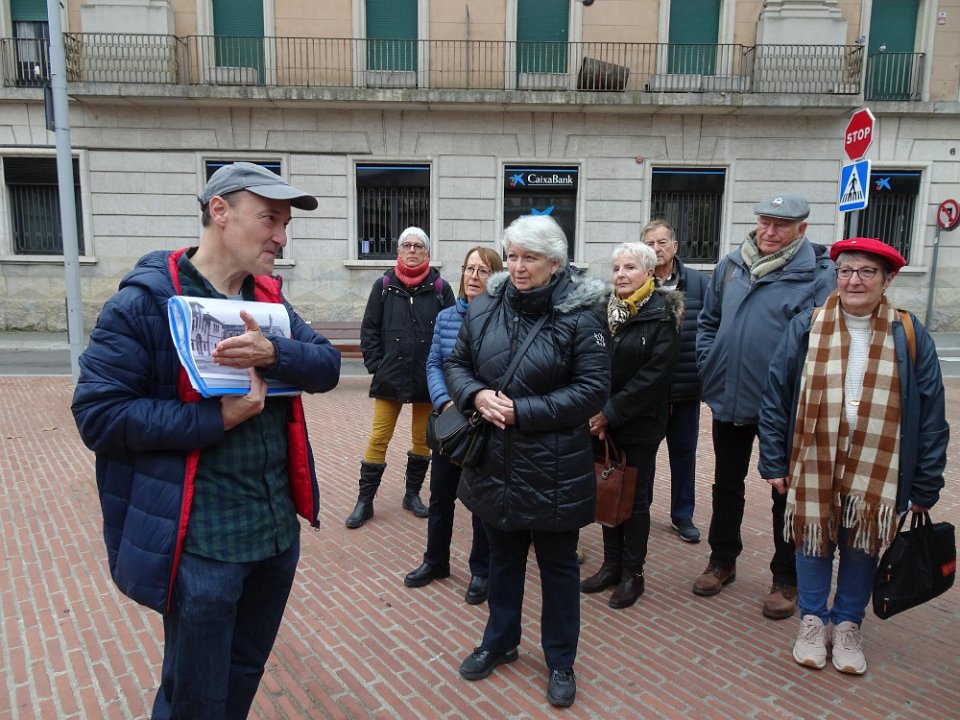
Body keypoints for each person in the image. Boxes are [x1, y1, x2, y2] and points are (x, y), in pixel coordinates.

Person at [71, 161, 341, 719]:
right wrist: (215, 420)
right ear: (219, 211)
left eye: (286, 224)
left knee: (243, 674)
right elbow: (99, 416)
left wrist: (275, 352)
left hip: (274, 534)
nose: (281, 237)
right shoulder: (144, 302)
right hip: (202, 544)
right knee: (193, 695)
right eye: (269, 219)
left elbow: (327, 366)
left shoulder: (267, 301)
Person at [759, 237, 948, 674]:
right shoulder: (807, 325)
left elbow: (931, 414)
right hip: (814, 459)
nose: (854, 280)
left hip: (878, 466)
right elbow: (775, 396)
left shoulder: (909, 333)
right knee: (812, 539)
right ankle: (812, 621)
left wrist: (926, 483)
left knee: (862, 544)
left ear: (887, 280)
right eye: (845, 271)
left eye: (867, 272)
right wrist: (773, 460)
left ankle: (847, 625)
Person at [445, 214, 609, 708]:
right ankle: (500, 641)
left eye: (530, 258)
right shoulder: (484, 307)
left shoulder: (582, 315)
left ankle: (560, 660)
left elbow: (592, 390)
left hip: (554, 467)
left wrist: (524, 411)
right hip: (493, 462)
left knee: (558, 568)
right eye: (513, 256)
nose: (518, 266)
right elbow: (456, 363)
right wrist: (475, 396)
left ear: (554, 264)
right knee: (503, 559)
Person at [694, 192, 836, 620]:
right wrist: (709, 363)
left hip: (784, 406)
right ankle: (722, 561)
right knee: (726, 484)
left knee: (783, 491)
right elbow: (708, 321)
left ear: (801, 229)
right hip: (731, 394)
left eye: (781, 225)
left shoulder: (818, 274)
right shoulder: (732, 265)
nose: (770, 232)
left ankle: (786, 578)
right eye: (765, 222)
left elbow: (822, 342)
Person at [581, 242, 682, 609]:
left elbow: (655, 376)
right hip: (600, 421)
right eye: (616, 268)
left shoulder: (663, 315)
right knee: (607, 490)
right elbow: (589, 362)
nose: (621, 275)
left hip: (639, 423)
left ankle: (633, 574)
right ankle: (611, 565)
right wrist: (595, 411)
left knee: (634, 500)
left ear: (649, 272)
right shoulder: (602, 311)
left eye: (629, 268)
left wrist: (611, 412)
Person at [404, 246, 503, 604]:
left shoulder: (502, 319)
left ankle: (481, 571)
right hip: (449, 422)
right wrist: (445, 402)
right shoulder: (447, 316)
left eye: (483, 270)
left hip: (482, 424)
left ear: (496, 277)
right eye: (469, 269)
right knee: (441, 496)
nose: (473, 276)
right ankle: (436, 561)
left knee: (479, 502)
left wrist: (474, 403)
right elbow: (434, 363)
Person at [346, 227, 455, 528]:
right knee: (379, 437)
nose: (412, 250)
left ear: (427, 252)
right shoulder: (383, 285)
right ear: (398, 251)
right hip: (390, 375)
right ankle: (365, 501)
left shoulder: (440, 288)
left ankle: (412, 495)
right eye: (407, 245)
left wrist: (442, 373)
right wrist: (377, 366)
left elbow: (450, 333)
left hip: (426, 377)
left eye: (418, 245)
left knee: (422, 438)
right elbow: (369, 329)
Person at [641, 219, 708, 543]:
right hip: (648, 391)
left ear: (675, 246)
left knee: (684, 453)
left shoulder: (699, 283)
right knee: (643, 454)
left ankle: (683, 515)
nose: (657, 249)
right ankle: (640, 510)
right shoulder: (638, 280)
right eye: (650, 244)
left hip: (685, 387)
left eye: (662, 242)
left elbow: (710, 329)